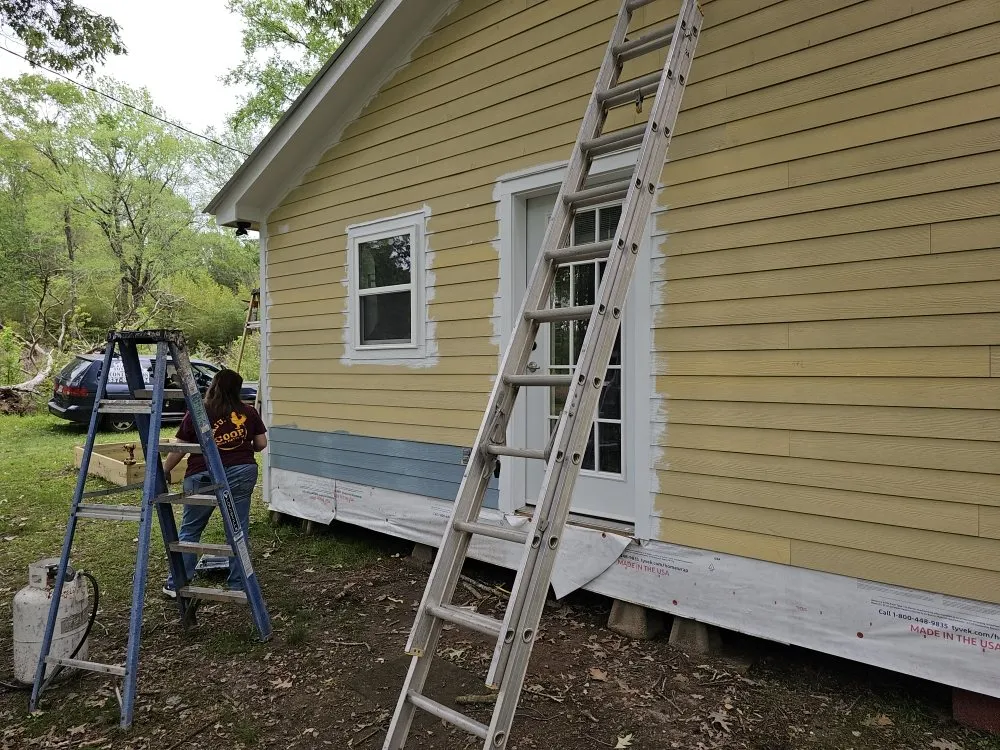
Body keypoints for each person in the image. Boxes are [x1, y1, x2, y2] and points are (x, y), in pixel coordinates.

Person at [160, 368, 267, 598]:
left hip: (203, 476)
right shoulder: (248, 412)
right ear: (237, 390)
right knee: (237, 530)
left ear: (213, 387)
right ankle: (239, 583)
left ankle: (177, 583)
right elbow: (261, 443)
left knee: (190, 529)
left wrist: (165, 470)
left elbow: (181, 446)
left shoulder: (199, 412)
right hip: (242, 472)